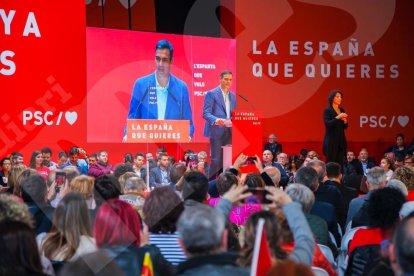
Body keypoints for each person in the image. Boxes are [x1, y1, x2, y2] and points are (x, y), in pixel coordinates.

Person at [124, 39, 194, 140]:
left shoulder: (182, 88)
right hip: (147, 146)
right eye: (158, 59)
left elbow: (189, 124)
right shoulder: (141, 84)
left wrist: (188, 136)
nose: (160, 64)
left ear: (171, 61)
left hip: (172, 147)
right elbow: (132, 118)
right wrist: (127, 135)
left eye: (165, 60)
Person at [203, 70, 236, 179]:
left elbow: (233, 114)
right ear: (220, 79)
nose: (228, 82)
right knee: (216, 160)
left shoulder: (233, 96)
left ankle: (225, 184)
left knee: (227, 161)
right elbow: (206, 113)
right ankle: (210, 184)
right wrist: (217, 120)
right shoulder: (212, 94)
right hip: (216, 130)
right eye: (226, 79)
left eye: (230, 80)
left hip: (229, 132)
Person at [323, 89, 348, 167]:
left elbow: (344, 127)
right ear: (332, 98)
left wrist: (345, 121)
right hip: (331, 141)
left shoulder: (342, 110)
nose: (340, 98)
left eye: (340, 97)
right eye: (337, 96)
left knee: (340, 163)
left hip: (340, 140)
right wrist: (338, 117)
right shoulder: (327, 110)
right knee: (331, 163)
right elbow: (328, 124)